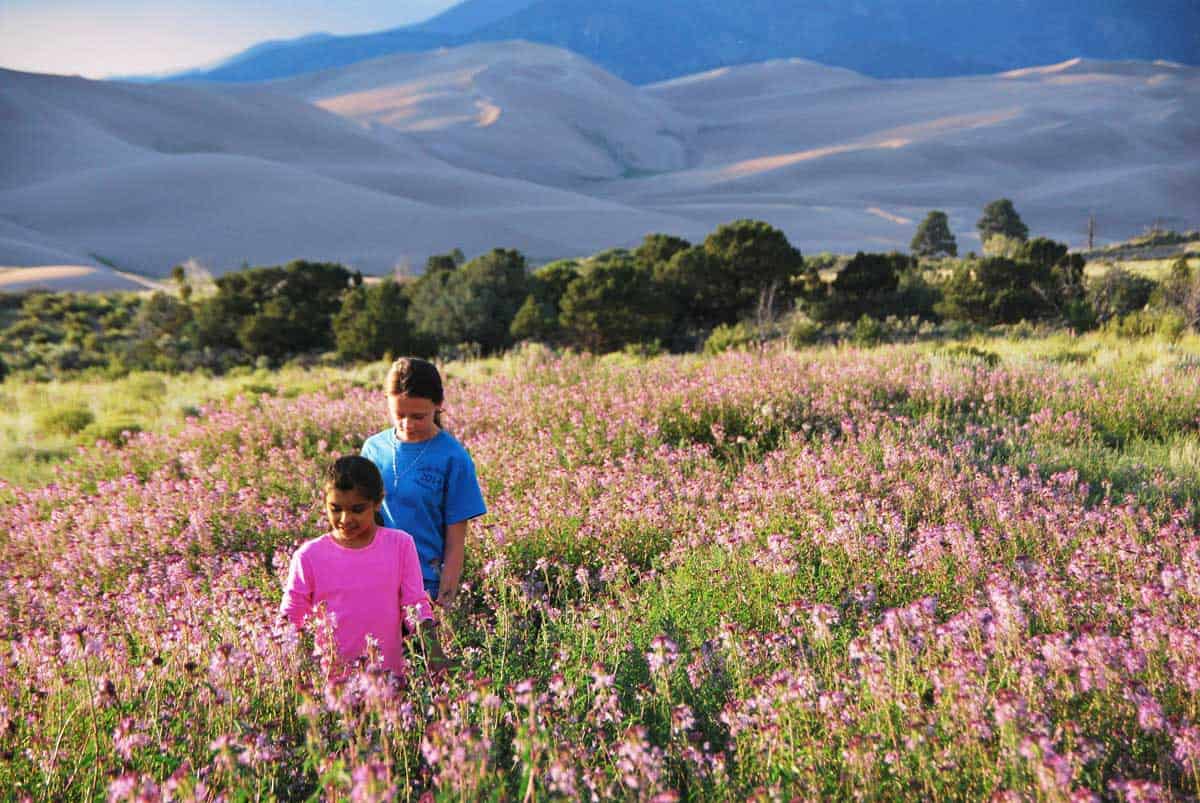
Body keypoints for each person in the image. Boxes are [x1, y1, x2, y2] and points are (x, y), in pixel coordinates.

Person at [279, 455, 445, 676]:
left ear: (378, 503)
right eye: (336, 508)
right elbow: (292, 615)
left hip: (389, 680)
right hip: (334, 684)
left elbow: (415, 605)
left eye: (358, 509)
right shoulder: (308, 556)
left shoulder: (400, 545)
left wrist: (435, 656)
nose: (345, 519)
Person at [361, 357, 487, 608]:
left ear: (438, 405)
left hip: (424, 585)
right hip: (374, 581)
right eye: (399, 414)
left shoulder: (453, 457)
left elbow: (455, 540)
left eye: (419, 416)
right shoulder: (373, 449)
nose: (407, 424)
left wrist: (446, 598)